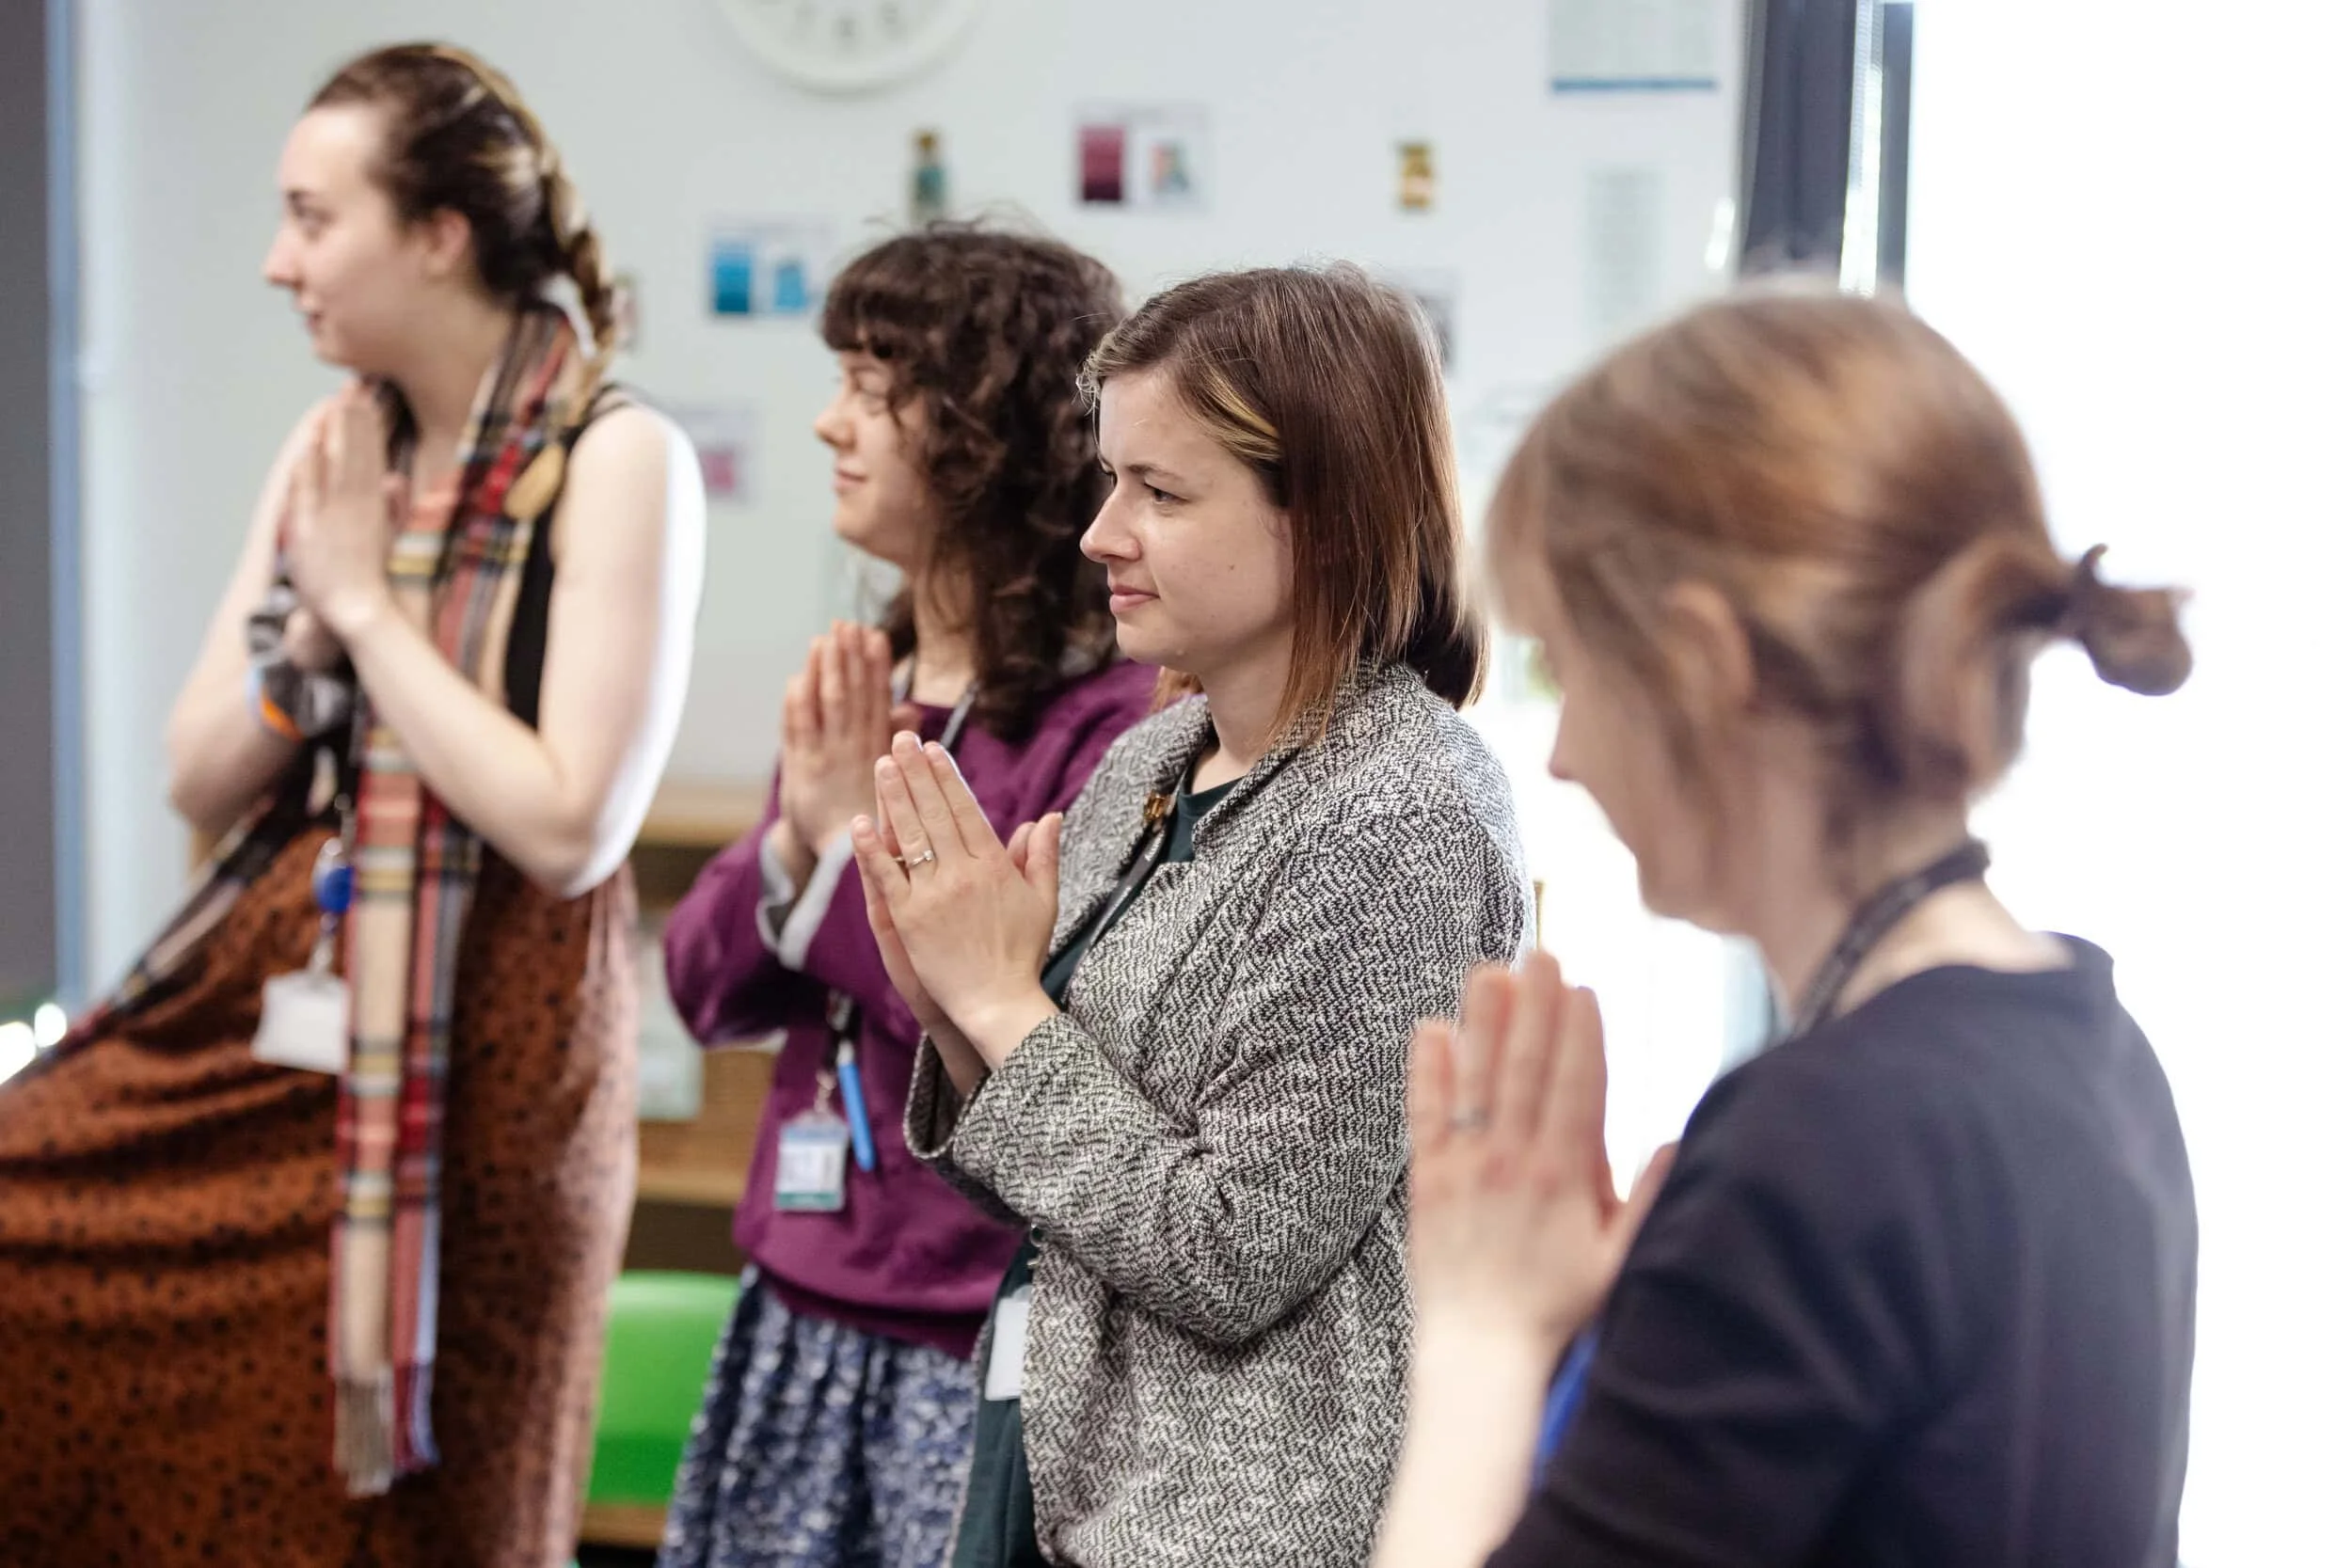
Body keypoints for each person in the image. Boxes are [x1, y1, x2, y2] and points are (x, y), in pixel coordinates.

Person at [0, 43, 705, 1567]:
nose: (277, 262)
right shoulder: (334, 445)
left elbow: (572, 818)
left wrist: (364, 608)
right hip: (287, 996)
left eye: (314, 219)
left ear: (439, 233)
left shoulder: (620, 457)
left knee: (442, 1494)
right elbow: (199, 767)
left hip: (500, 1029)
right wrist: (307, 646)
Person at [1375, 287, 2197, 1567]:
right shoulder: (2092, 1044)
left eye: (1572, 668)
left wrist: (1483, 1323)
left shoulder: (1822, 1142)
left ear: (1703, 662)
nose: (1575, 755)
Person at [850, 263, 1529, 1568]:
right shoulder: (1149, 762)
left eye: (1159, 492)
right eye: (1112, 480)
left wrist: (1007, 1004)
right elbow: (1058, 1179)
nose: (1103, 531)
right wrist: (954, 1009)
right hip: (1059, 1458)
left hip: (1236, 1522)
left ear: (1322, 520)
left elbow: (1234, 1247)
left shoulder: (1403, 810)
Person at [657, 226, 1157, 1568]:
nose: (831, 423)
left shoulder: (1106, 725)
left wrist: (829, 850)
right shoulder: (869, 682)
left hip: (957, 1333)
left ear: (989, 428)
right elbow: (704, 989)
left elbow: (1016, 1041)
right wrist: (794, 851)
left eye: (878, 390)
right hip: (794, 1308)